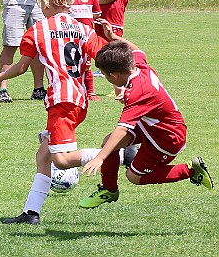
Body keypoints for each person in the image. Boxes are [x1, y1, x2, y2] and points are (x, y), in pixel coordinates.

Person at [0, 0, 108, 224]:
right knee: (43, 156)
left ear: (49, 2)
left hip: (61, 101)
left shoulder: (37, 31)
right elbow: (106, 57)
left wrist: (0, 76)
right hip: (79, 99)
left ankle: (122, 153)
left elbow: (21, 67)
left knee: (61, 161)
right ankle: (31, 213)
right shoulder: (84, 30)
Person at [79, 19, 214, 209]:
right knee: (108, 142)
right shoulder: (138, 66)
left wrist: (100, 157)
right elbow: (139, 51)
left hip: (167, 137)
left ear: (114, 76)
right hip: (151, 125)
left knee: (135, 176)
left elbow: (121, 128)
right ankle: (109, 190)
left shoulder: (138, 92)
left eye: (104, 75)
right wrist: (115, 38)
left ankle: (191, 171)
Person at [93, 0, 133, 100]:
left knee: (115, 55)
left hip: (113, 21)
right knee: (101, 50)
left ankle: (121, 88)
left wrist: (95, 3)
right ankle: (114, 85)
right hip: (100, 19)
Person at [66, 0, 102, 102]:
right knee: (71, 62)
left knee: (87, 64)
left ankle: (90, 92)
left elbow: (97, 14)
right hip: (69, 35)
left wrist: (87, 22)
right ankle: (74, 90)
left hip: (86, 36)